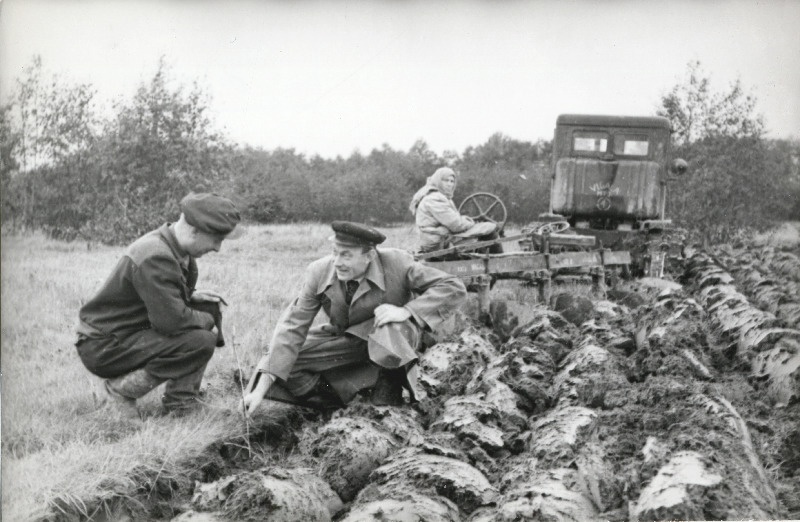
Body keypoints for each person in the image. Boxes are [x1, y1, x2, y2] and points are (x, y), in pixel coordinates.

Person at [242, 221, 467, 414]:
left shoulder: (398, 263)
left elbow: (452, 286)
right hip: (346, 341)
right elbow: (292, 328)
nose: (338, 262)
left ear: (369, 256)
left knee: (392, 326)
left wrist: (407, 311)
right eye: (335, 253)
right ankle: (337, 399)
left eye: (347, 255)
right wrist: (260, 392)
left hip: (391, 339)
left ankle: (389, 395)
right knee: (278, 361)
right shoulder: (318, 271)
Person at [75, 192, 241, 419]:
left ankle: (182, 401)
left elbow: (158, 297)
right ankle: (120, 392)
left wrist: (193, 299)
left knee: (205, 312)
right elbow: (172, 323)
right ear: (195, 231)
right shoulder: (156, 255)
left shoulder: (178, 251)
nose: (218, 248)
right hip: (104, 346)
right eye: (216, 239)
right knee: (200, 340)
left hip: (124, 334)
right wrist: (207, 319)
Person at [409, 167, 498, 256]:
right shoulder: (434, 199)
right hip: (436, 242)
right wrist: (471, 222)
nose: (449, 184)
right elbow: (456, 225)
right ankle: (497, 261)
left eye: (452, 181)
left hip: (437, 238)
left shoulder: (438, 196)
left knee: (485, 230)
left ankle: (487, 259)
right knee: (490, 228)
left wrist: (464, 221)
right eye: (446, 181)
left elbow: (452, 221)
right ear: (438, 181)